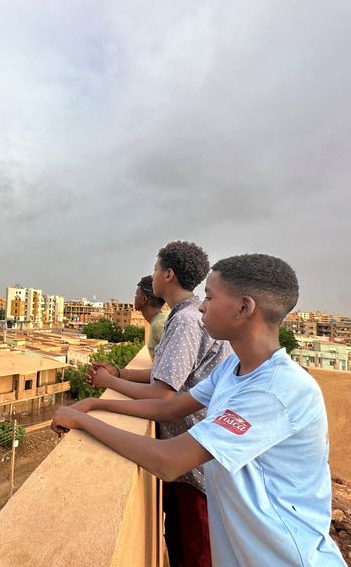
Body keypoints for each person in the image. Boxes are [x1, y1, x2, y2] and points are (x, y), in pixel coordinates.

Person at [52, 254, 346, 566]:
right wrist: (97, 403)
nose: (202, 306)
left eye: (209, 296)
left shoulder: (277, 390)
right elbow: (172, 408)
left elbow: (168, 462)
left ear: (244, 307)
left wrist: (83, 420)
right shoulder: (235, 366)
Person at [88, 241, 231, 567]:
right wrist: (121, 373)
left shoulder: (184, 321)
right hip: (189, 456)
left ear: (168, 274)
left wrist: (108, 384)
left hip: (195, 461)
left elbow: (162, 395)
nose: (151, 275)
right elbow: (168, 373)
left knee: (197, 553)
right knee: (182, 545)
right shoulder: (189, 314)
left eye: (155, 268)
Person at [135, 275, 167, 360]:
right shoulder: (162, 319)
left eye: (136, 294)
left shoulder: (158, 325)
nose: (134, 297)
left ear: (144, 299)